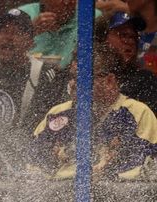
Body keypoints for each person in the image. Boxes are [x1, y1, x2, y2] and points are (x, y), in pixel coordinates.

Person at [29, 43, 157, 179]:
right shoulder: (57, 113)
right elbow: (33, 165)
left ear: (109, 81)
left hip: (115, 195)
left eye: (81, 78)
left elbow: (144, 167)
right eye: (72, 77)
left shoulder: (138, 113)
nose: (72, 84)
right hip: (58, 195)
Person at [0, 9, 68, 135]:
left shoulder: (45, 77)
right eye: (3, 31)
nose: (8, 37)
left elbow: (47, 130)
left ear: (31, 42)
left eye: (17, 33)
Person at [98, 11, 157, 112]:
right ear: (103, 38)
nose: (130, 41)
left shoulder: (145, 80)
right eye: (123, 35)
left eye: (133, 37)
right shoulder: (87, 74)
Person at [17, 0, 102, 68]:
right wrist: (31, 32)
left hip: (70, 80)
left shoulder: (90, 17)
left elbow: (100, 60)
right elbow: (9, 56)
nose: (67, 1)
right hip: (27, 76)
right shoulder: (23, 15)